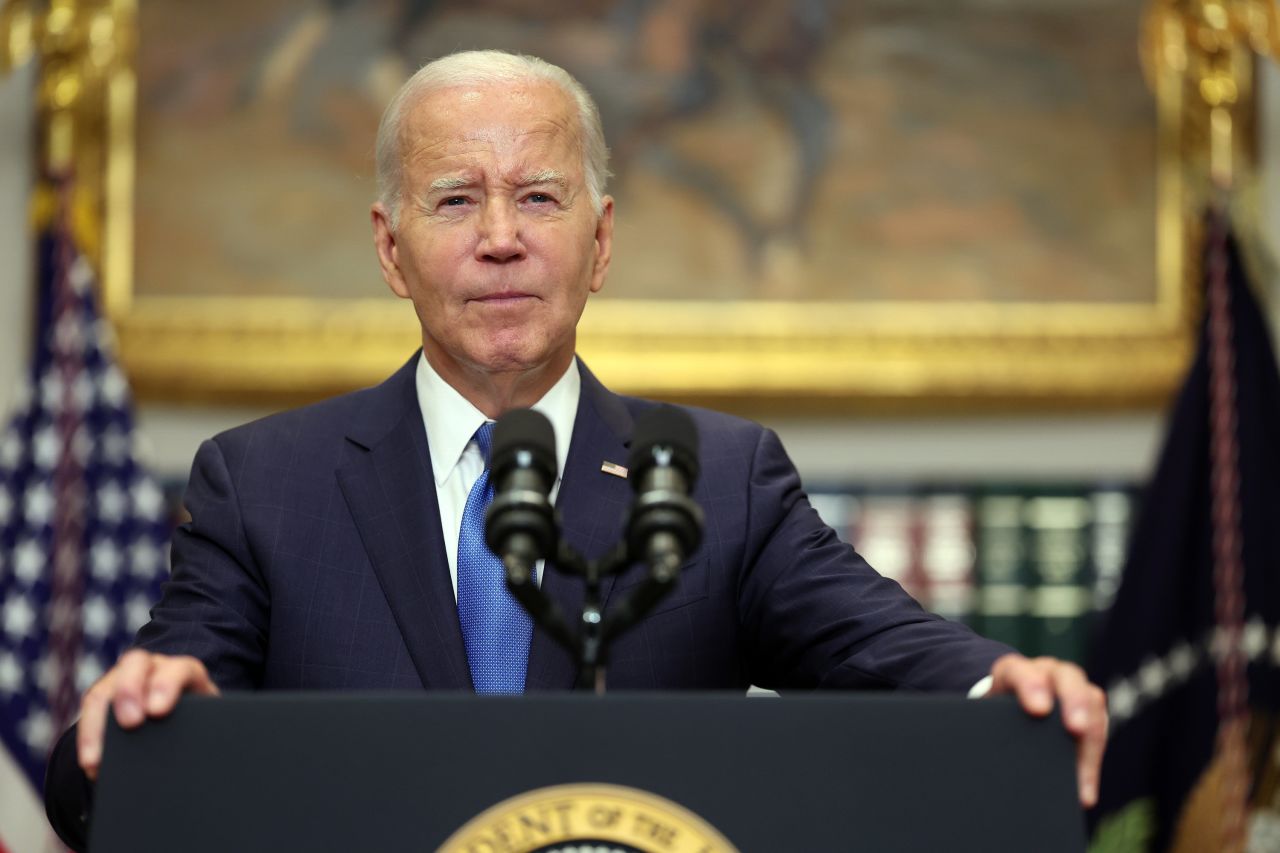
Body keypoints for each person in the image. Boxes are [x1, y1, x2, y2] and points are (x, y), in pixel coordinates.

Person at [45, 49, 1107, 849]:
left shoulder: (712, 480)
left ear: (598, 242)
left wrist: (1006, 691)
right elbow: (145, 736)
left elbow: (880, 647)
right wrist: (143, 720)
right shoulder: (263, 484)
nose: (499, 236)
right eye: (455, 199)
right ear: (389, 245)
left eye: (539, 197)